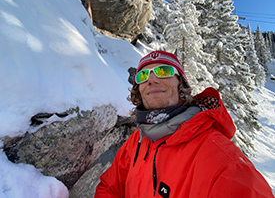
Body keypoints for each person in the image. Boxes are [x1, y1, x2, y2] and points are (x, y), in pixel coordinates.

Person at [95, 50, 274, 197]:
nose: (151, 79)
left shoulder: (224, 161)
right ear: (138, 89)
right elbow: (109, 188)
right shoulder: (138, 140)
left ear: (181, 84)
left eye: (163, 71)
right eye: (143, 75)